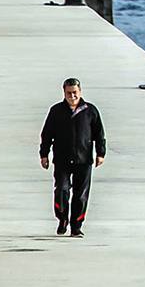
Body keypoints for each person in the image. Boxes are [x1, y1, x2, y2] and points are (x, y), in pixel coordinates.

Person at [39, 78, 106, 237]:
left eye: (75, 92)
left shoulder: (90, 110)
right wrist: (44, 154)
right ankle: (62, 219)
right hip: (62, 159)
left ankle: (76, 227)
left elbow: (99, 134)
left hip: (83, 160)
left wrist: (101, 153)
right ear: (64, 92)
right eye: (69, 93)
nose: (72, 96)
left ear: (80, 92)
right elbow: (47, 134)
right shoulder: (56, 111)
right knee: (61, 191)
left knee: (80, 195)